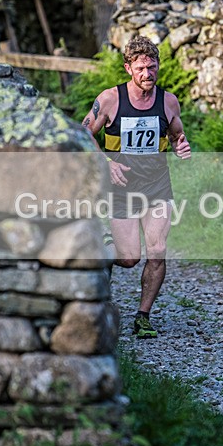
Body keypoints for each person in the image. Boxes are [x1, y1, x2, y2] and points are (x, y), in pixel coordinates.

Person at [81, 35, 191, 339]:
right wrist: (106, 162)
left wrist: (181, 146)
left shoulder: (168, 101)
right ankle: (103, 247)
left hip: (157, 186)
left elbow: (177, 133)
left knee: (157, 250)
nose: (147, 74)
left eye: (152, 67)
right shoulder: (110, 99)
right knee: (129, 257)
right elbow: (83, 134)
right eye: (141, 68)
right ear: (128, 68)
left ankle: (143, 315)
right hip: (122, 188)